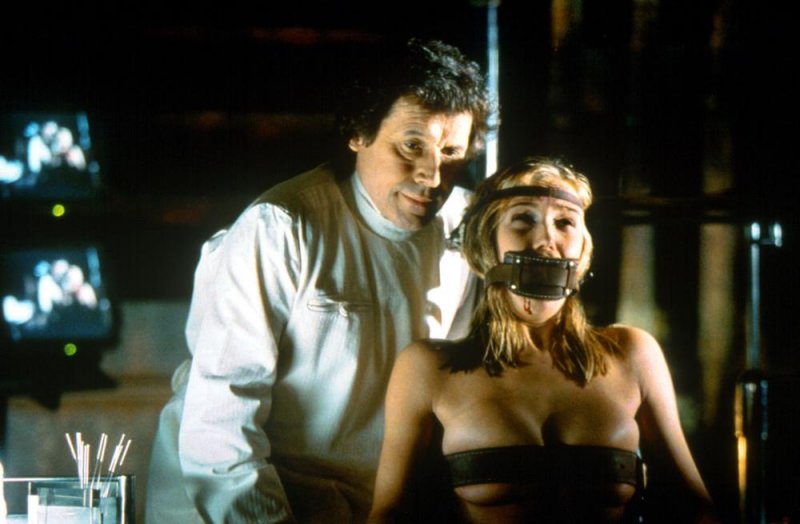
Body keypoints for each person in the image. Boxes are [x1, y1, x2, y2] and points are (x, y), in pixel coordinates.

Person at [145, 38, 493, 523]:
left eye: (452, 152)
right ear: (359, 134)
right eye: (412, 145)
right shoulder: (281, 228)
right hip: (239, 496)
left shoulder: (466, 229)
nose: (433, 175)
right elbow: (220, 426)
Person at [368, 158, 718, 523]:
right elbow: (391, 513)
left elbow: (694, 507)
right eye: (523, 218)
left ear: (583, 248)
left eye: (565, 222)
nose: (546, 240)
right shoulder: (429, 367)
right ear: (488, 241)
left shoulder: (631, 355)